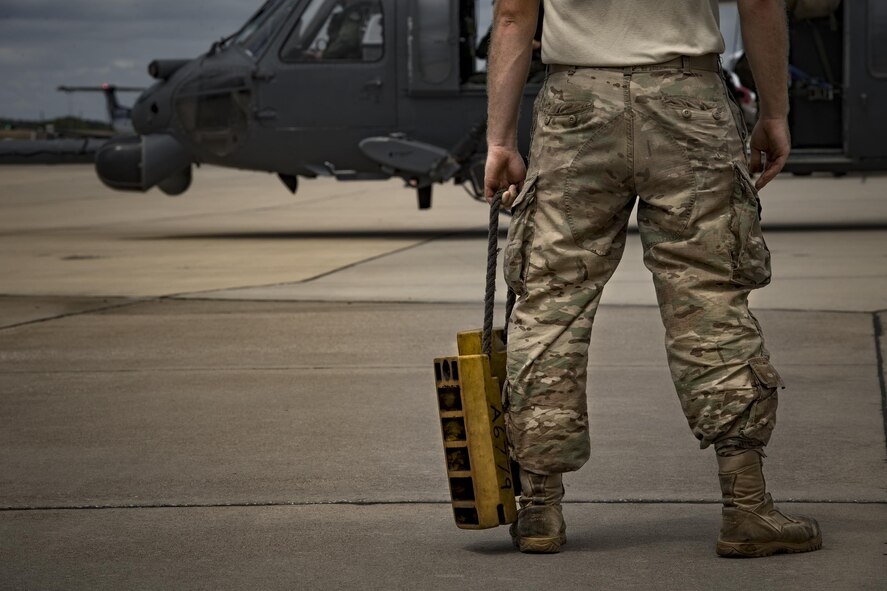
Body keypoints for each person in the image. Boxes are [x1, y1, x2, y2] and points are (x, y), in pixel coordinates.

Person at [484, 0, 822, 557]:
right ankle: (745, 506)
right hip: (688, 101)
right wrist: (775, 113)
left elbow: (514, 13)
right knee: (708, 294)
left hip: (577, 107)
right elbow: (760, 3)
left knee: (551, 303)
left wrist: (501, 141)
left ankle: (539, 509)